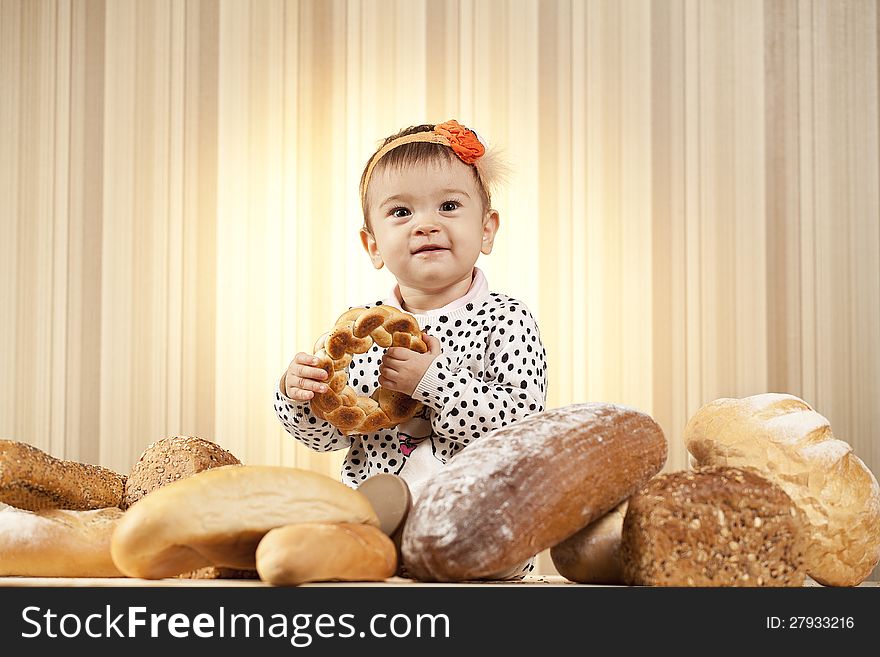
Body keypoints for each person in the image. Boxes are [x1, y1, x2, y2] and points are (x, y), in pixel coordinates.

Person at [274, 120, 548, 577]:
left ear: (486, 230)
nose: (426, 224)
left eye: (448, 205)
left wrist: (433, 382)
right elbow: (331, 436)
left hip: (484, 541)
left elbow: (520, 433)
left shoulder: (507, 320)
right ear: (373, 244)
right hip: (380, 546)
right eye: (401, 212)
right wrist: (297, 396)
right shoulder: (358, 332)